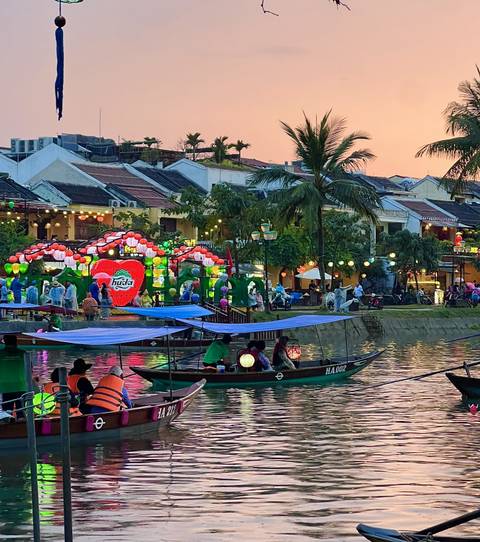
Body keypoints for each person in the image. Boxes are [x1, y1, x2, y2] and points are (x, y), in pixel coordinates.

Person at [0, 334, 27, 419]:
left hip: (6, 386)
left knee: (7, 414)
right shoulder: (23, 353)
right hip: (21, 385)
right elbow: (30, 369)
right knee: (22, 412)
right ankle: (22, 428)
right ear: (16, 341)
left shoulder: (0, 354)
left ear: (4, 341)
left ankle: (9, 429)